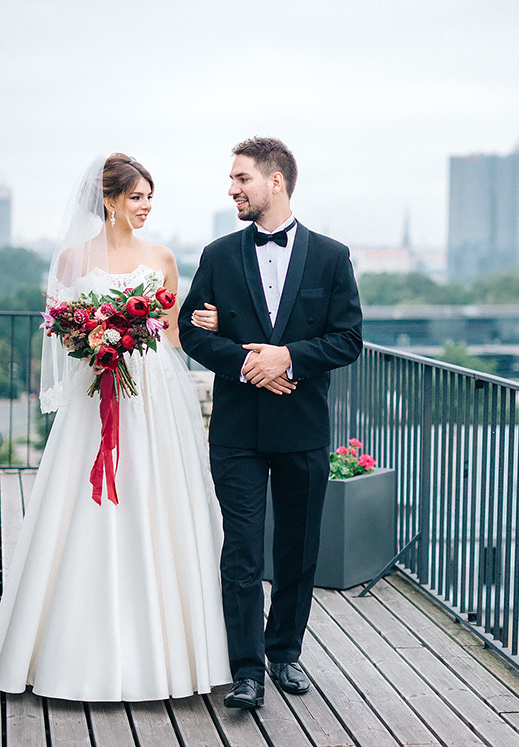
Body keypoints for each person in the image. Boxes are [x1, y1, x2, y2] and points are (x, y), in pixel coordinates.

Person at [0, 153, 231, 702]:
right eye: (136, 197)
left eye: (149, 199)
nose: (144, 207)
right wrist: (93, 344)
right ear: (110, 199)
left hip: (153, 397)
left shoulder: (162, 256)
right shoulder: (72, 259)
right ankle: (71, 649)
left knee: (156, 501)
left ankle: (167, 651)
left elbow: (173, 334)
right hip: (95, 393)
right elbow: (59, 330)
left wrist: (211, 322)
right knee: (83, 511)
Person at [178, 137, 363, 709]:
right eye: (232, 181)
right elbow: (190, 330)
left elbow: (349, 338)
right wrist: (246, 364)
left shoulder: (332, 256)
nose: (232, 189)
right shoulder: (216, 254)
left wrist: (288, 359)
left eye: (241, 179)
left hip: (302, 428)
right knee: (242, 551)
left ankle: (284, 653)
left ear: (275, 181)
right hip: (236, 429)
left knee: (297, 551)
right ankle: (246, 668)